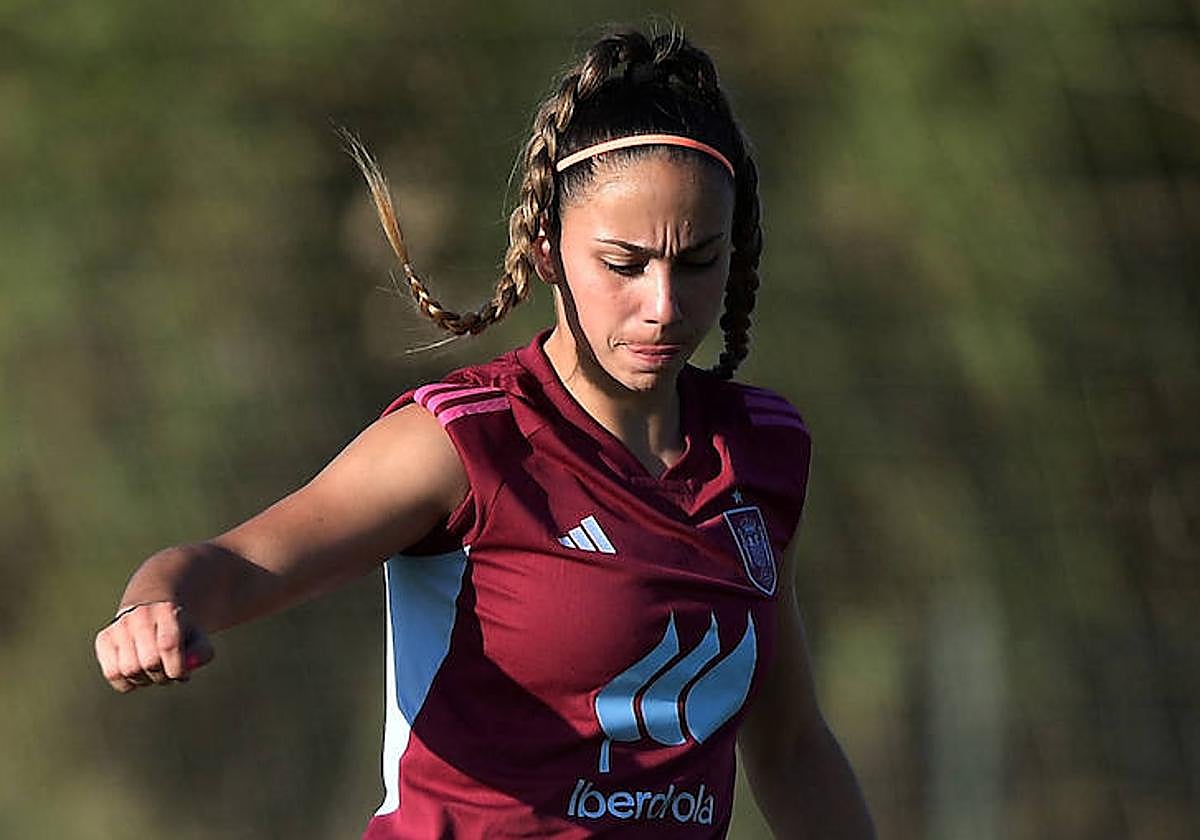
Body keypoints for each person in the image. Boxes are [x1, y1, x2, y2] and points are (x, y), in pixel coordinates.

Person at [94, 26, 876, 839]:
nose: (665, 305)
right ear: (545, 249)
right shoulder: (465, 442)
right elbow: (242, 562)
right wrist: (152, 606)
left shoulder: (761, 452)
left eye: (699, 260)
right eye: (624, 263)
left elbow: (789, 745)